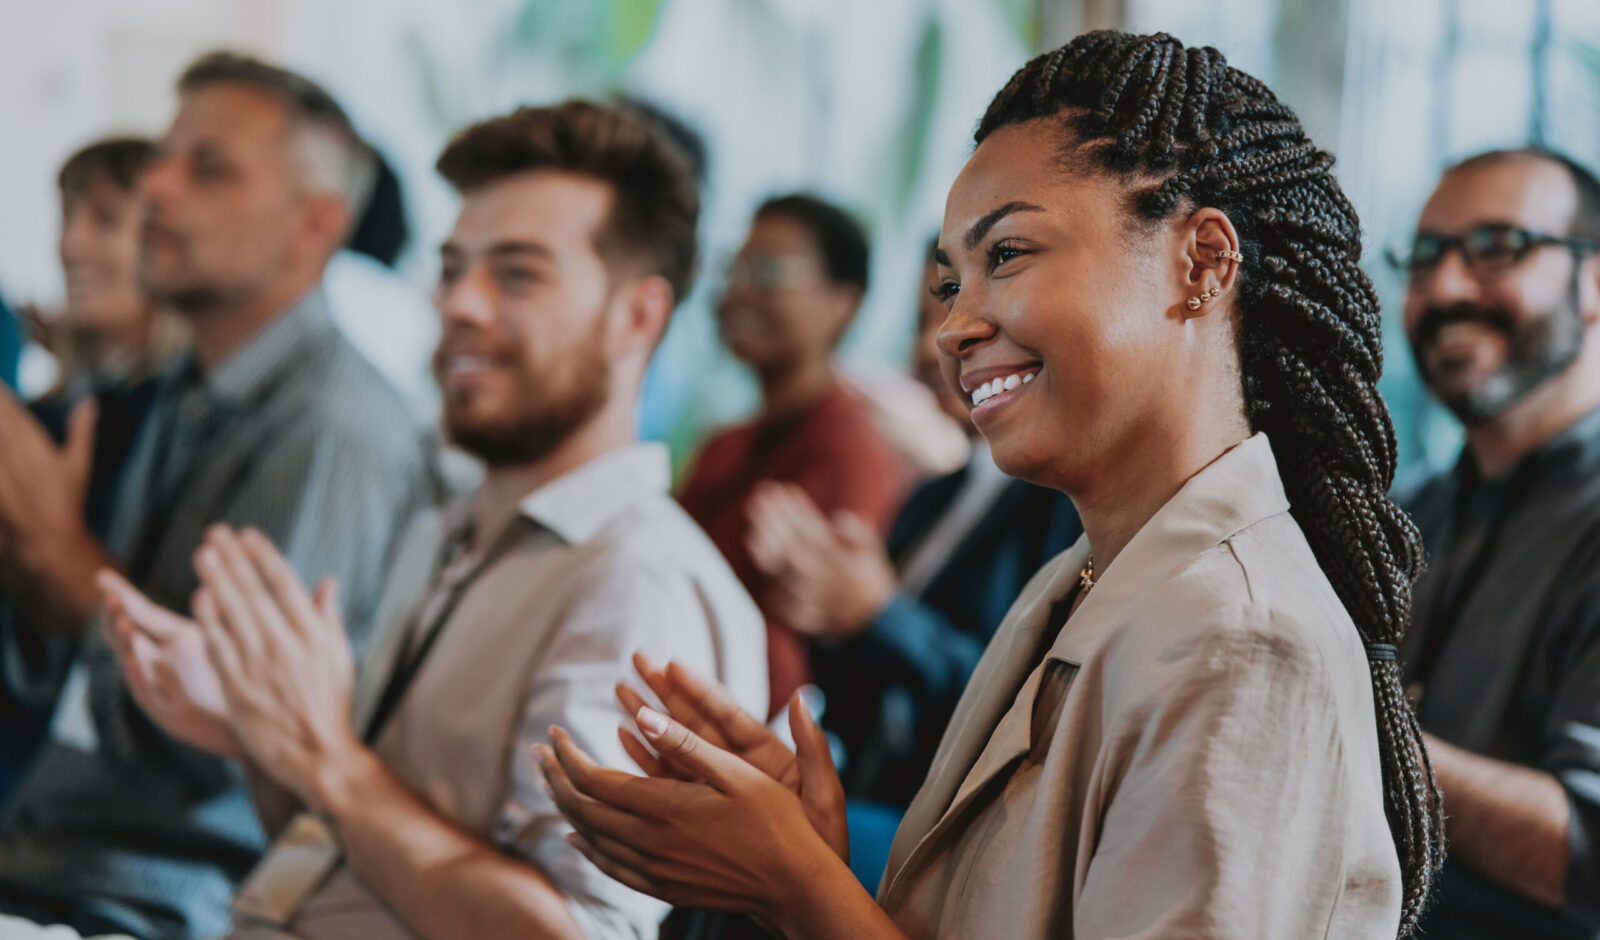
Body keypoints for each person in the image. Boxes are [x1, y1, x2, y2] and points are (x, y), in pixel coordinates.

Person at [541, 29, 1445, 940]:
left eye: (1006, 254)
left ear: (1204, 261)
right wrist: (813, 848)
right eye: (948, 284)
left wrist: (795, 884)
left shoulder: (1247, 643)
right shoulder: (1085, 578)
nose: (955, 328)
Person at [100, 99, 768, 940]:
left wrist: (328, 761)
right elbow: (348, 862)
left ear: (636, 317)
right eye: (454, 268)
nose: (461, 304)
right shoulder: (448, 533)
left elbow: (575, 935)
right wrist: (265, 738)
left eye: (516, 273)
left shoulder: (633, 580)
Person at [0, 52, 435, 940]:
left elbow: (248, 749)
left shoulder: (333, 430)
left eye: (207, 168)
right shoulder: (194, 384)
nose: (157, 188)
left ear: (316, 224)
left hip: (157, 901)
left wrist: (62, 557)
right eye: (162, 157)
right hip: (52, 862)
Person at [741, 244, 1082, 888]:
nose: (940, 341)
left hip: (957, 830)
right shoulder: (933, 497)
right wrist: (828, 615)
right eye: (934, 308)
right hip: (865, 789)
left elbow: (1022, 712)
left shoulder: (1061, 510)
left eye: (966, 307)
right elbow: (856, 698)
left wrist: (878, 614)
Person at [1391, 148, 1600, 938]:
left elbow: (1588, 857)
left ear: (1595, 285)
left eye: (1496, 249)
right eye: (1424, 256)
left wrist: (1344, 719)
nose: (1445, 287)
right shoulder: (1409, 513)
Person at [0, 137, 187, 801]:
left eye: (105, 220)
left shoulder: (178, 422)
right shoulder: (49, 411)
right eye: (68, 217)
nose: (71, 245)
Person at [678, 194, 904, 718]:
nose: (737, 291)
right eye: (733, 268)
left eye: (769, 271)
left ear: (842, 303)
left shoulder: (851, 452)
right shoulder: (724, 445)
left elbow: (806, 647)